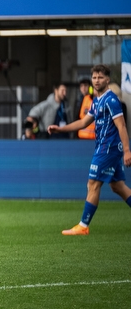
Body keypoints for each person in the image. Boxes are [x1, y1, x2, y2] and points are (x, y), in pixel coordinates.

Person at [48, 66, 131, 235]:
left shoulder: (111, 100)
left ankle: (83, 226)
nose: (96, 80)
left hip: (108, 148)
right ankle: (83, 226)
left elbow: (121, 126)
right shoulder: (97, 100)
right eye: (94, 77)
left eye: (100, 77)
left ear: (107, 79)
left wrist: (127, 150)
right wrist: (60, 129)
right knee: (118, 187)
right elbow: (83, 122)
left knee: (93, 183)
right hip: (105, 147)